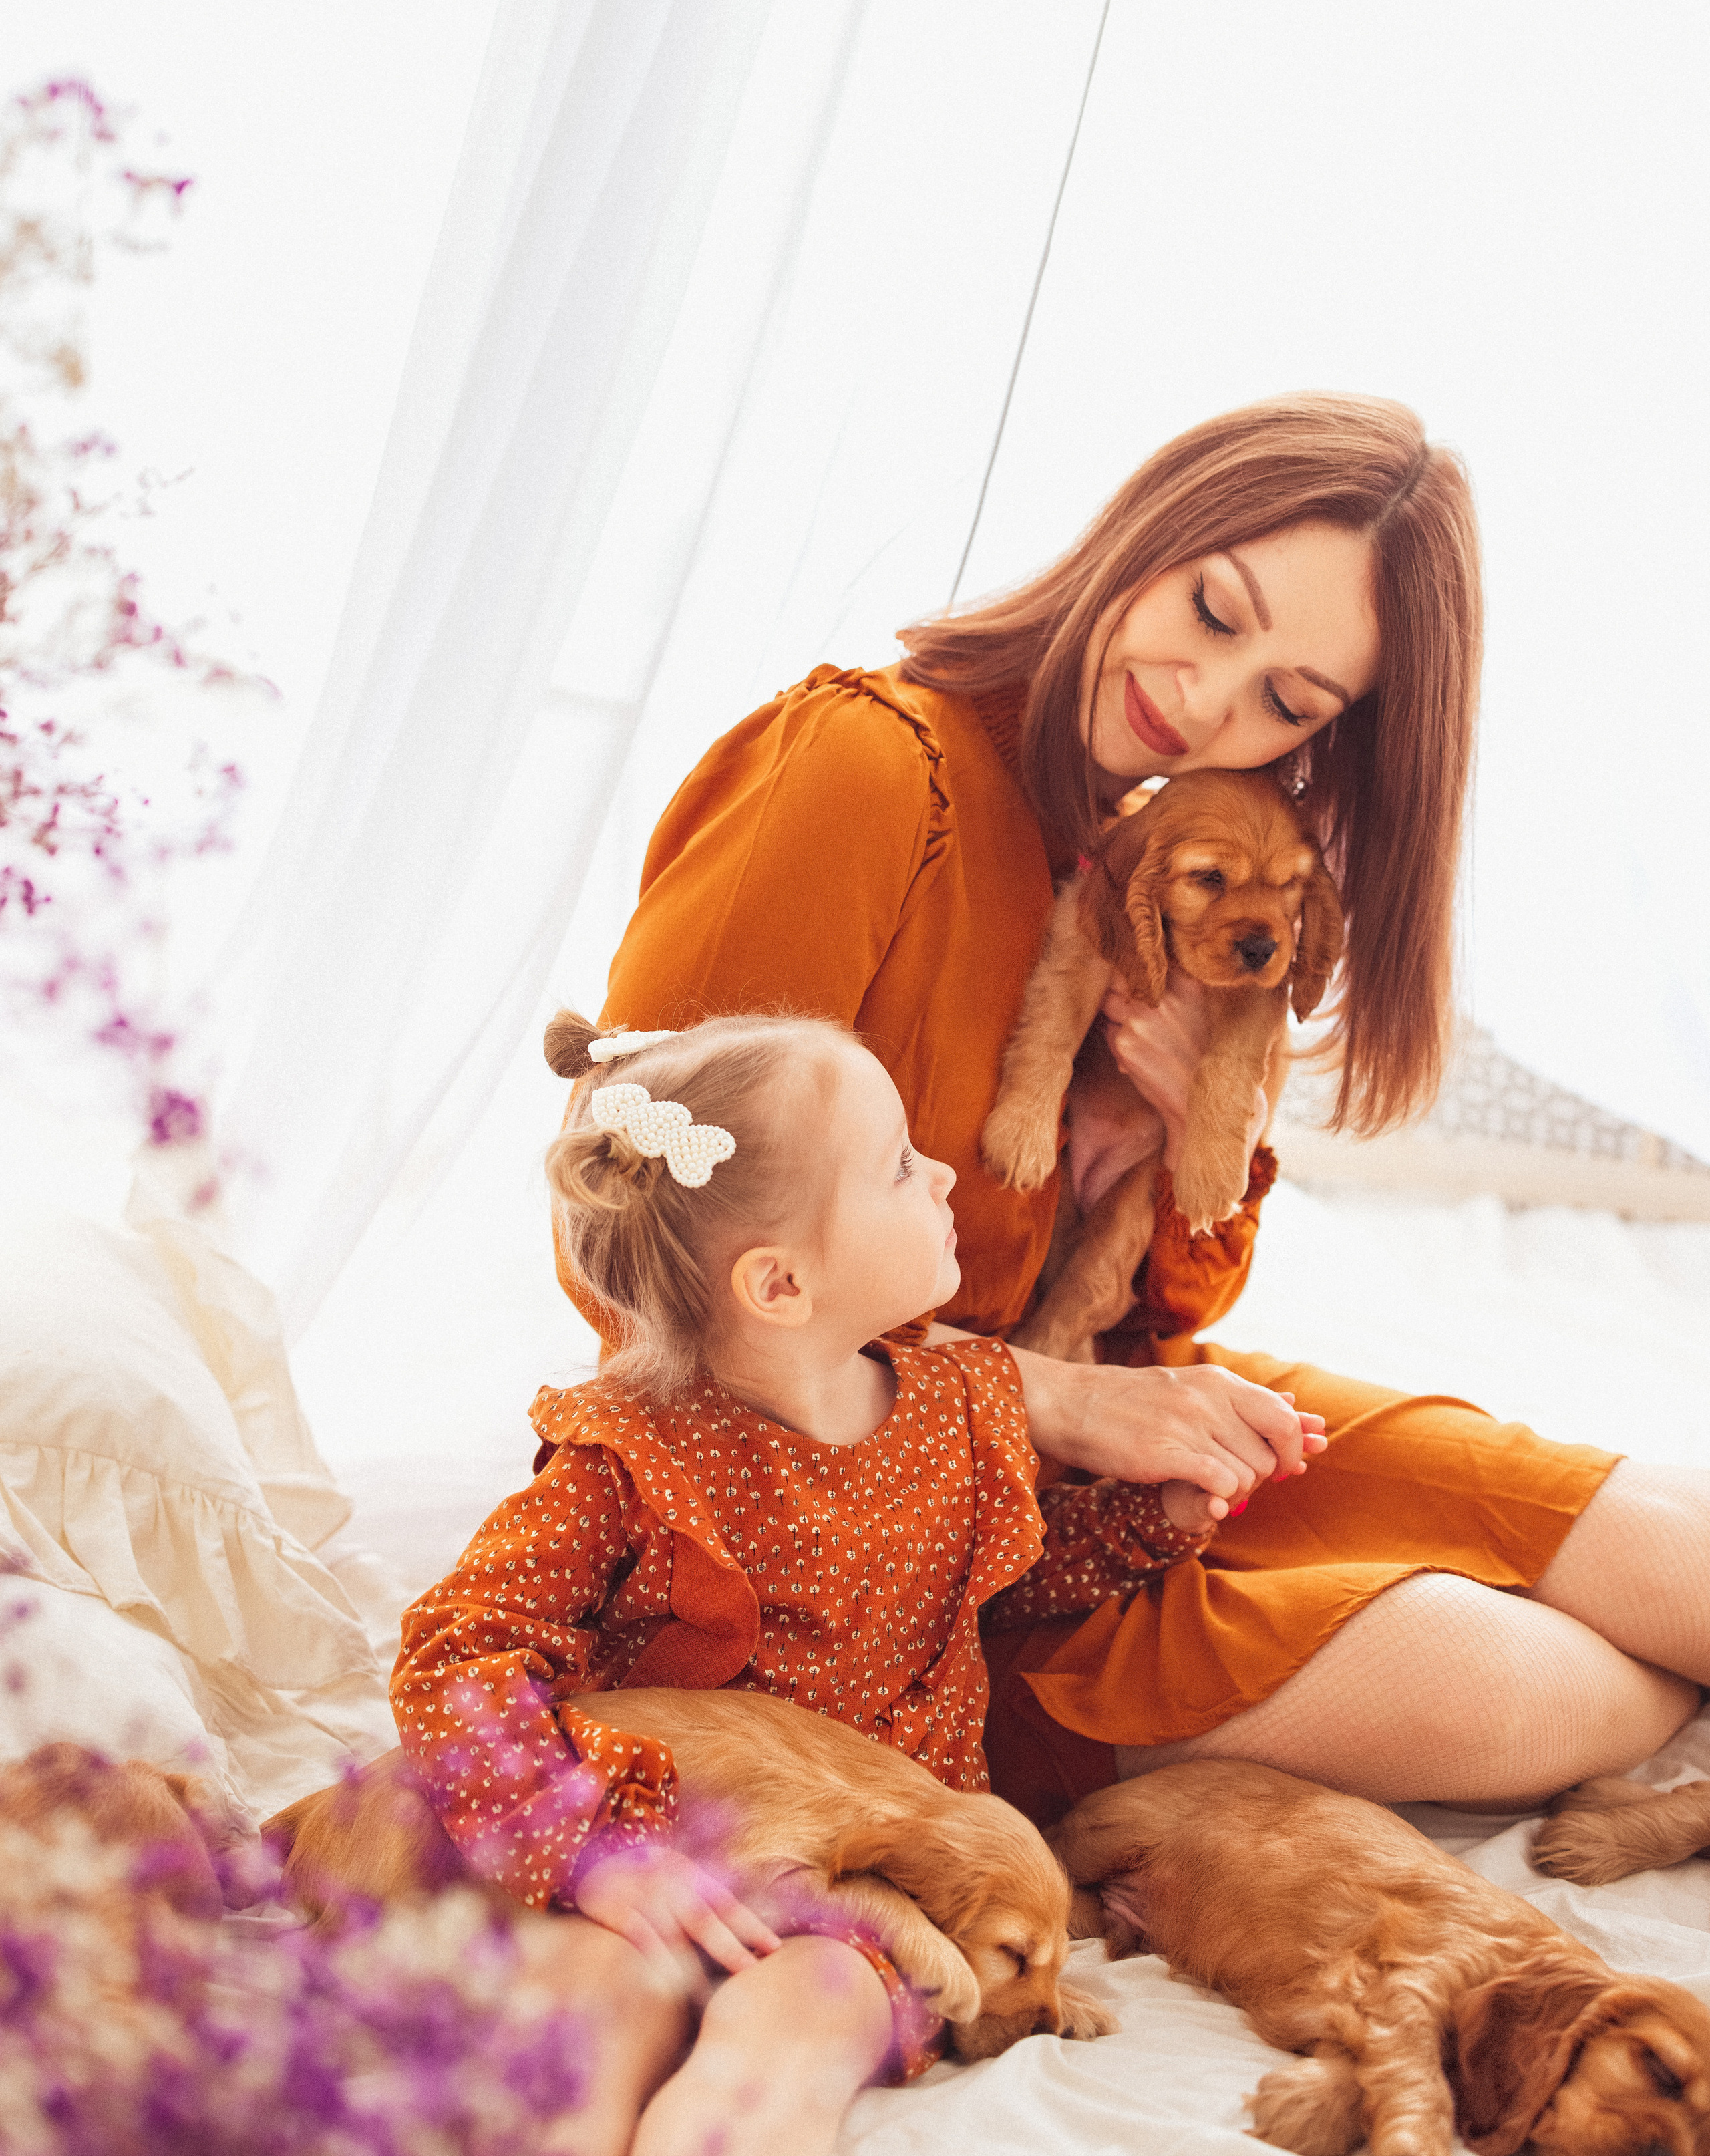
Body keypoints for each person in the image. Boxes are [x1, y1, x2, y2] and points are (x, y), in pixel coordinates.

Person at [564, 391, 1709, 1823]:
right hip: (866, 1542)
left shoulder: (1171, 852)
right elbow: (633, 1241)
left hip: (1108, 1425)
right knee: (1532, 1687)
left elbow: (1160, 1288)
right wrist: (1050, 1399)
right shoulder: (863, 767)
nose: (1210, 698)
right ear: (1149, 530)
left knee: (1667, 1548)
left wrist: (1184, 1121)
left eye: (1289, 701)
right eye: (1211, 608)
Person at [394, 1010, 1236, 2156]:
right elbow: (455, 1657)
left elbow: (988, 1595)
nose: (943, 1171)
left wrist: (1148, 1524)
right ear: (781, 1282)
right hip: (664, 1849)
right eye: (898, 1163)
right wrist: (582, 1851)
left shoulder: (963, 1404)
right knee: (591, 2002)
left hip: (877, 1886)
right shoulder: (626, 1456)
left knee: (809, 2019)